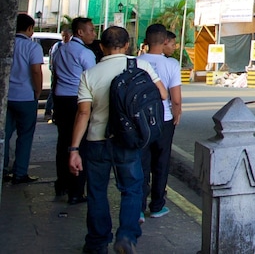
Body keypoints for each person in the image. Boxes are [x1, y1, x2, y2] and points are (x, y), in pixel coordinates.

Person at [68, 26, 168, 254]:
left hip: (96, 141)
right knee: (132, 189)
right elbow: (162, 94)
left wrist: (74, 149)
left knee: (96, 191)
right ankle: (126, 236)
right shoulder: (140, 65)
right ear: (127, 46)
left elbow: (83, 113)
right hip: (128, 139)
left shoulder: (89, 74)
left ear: (101, 47)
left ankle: (97, 241)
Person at [138, 25, 182, 220]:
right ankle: (157, 205)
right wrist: (177, 113)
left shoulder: (136, 62)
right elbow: (176, 97)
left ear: (146, 41)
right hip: (164, 119)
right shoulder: (171, 65)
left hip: (140, 121)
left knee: (141, 163)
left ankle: (137, 207)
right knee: (161, 163)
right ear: (165, 41)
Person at [53, 16, 97, 203]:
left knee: (63, 141)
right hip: (78, 100)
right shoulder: (85, 53)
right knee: (79, 144)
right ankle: (76, 191)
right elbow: (93, 79)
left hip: (60, 98)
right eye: (91, 30)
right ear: (80, 32)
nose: (93, 34)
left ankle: (61, 183)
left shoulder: (60, 50)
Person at [4, 13, 44, 183]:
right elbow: (36, 70)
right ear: (29, 28)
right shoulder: (32, 47)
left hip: (8, 96)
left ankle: (3, 169)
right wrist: (38, 91)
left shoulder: (7, 44)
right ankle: (20, 172)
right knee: (25, 135)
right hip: (26, 96)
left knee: (4, 135)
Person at [44, 25, 72, 120]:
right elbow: (53, 60)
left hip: (66, 73)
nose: (65, 38)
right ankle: (48, 110)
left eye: (66, 36)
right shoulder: (58, 46)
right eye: (63, 36)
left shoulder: (71, 46)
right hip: (56, 72)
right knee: (53, 91)